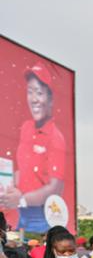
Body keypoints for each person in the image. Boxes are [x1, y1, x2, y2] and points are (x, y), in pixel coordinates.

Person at [1, 66, 67, 233]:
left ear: (50, 99)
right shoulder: (26, 128)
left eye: (39, 92)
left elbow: (55, 187)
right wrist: (8, 186)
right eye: (30, 92)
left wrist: (21, 199)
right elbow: (23, 170)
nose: (34, 99)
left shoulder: (55, 137)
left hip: (42, 217)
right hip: (20, 215)